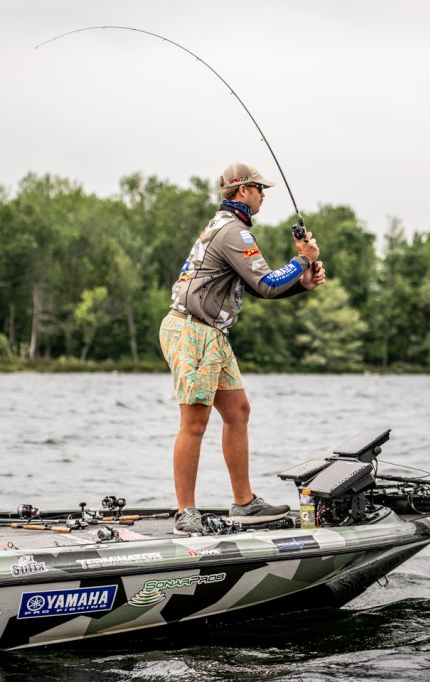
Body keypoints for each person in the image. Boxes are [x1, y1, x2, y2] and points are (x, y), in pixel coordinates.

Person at [159, 161, 326, 535]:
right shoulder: (234, 232)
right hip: (191, 330)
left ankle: (244, 502)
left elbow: (258, 287)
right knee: (195, 422)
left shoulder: (229, 228)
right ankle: (185, 512)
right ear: (242, 190)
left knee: (237, 411)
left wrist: (302, 284)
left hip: (211, 333)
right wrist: (304, 259)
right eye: (259, 189)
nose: (263, 195)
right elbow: (268, 283)